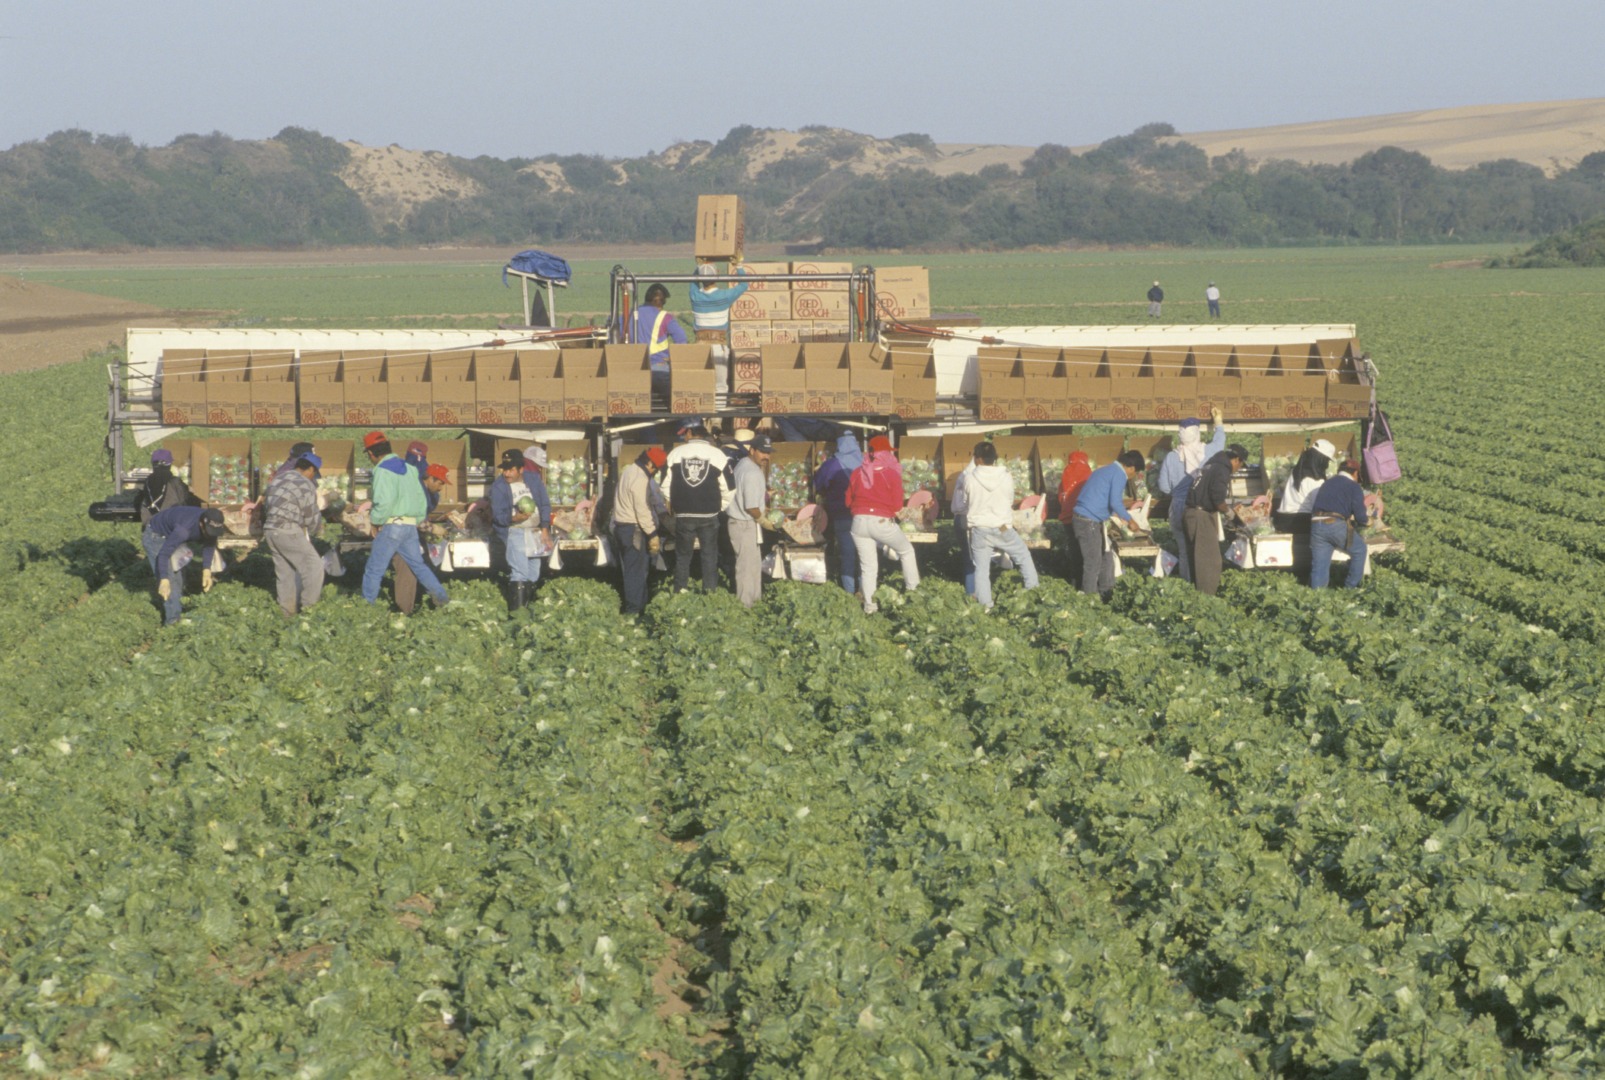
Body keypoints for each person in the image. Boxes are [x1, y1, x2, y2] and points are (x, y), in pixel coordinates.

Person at [360, 430, 449, 610]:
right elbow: (420, 499)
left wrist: (376, 521)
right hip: (409, 527)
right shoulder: (409, 469)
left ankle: (366, 608)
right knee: (419, 566)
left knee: (374, 570)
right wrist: (415, 520)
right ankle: (442, 600)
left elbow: (383, 502)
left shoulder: (382, 470)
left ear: (371, 454)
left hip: (392, 526)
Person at [846, 435, 919, 614]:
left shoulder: (857, 472)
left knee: (868, 567)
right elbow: (896, 506)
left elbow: (848, 501)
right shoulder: (891, 474)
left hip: (858, 523)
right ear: (887, 453)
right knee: (906, 551)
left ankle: (870, 607)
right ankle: (914, 594)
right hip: (881, 522)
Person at [963, 442, 1040, 610]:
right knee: (1023, 556)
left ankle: (986, 606)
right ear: (994, 459)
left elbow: (965, 501)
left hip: (980, 528)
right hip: (1002, 527)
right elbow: (1010, 499)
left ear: (978, 459)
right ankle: (1033, 593)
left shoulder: (969, 478)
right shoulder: (1006, 476)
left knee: (982, 569)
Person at [1155, 409, 1226, 582]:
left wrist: (1178, 493)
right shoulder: (1206, 452)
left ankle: (1187, 583)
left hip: (1178, 507)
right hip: (1198, 509)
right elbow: (1220, 443)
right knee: (1201, 549)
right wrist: (1218, 422)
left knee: (1184, 550)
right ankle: (1201, 584)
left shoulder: (1172, 457)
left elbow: (1164, 487)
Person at [666, 423, 732, 593]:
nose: (683, 437)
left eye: (684, 433)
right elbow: (730, 488)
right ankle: (709, 593)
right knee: (709, 557)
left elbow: (664, 486)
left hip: (684, 515)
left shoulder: (675, 454)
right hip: (709, 515)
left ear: (689, 432)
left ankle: (680, 593)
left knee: (683, 558)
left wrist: (673, 503)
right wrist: (720, 507)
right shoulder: (718, 455)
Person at [1072, 450, 1146, 600]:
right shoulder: (1119, 474)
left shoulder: (1106, 470)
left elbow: (1102, 498)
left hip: (1087, 519)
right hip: (1088, 521)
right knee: (1093, 563)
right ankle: (1089, 600)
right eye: (1135, 472)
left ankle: (1106, 593)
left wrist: (1114, 514)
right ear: (1131, 468)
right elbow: (1115, 502)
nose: (1132, 476)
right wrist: (1130, 521)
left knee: (1106, 556)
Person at [262, 451, 325, 619]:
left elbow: (267, 505)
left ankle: (287, 614)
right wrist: (317, 529)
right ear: (310, 469)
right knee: (314, 566)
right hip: (288, 530)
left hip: (270, 530)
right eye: (314, 473)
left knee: (285, 572)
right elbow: (311, 514)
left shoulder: (277, 479)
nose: (313, 477)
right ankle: (308, 609)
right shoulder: (305, 484)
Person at [488, 448, 552, 612]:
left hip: (535, 532)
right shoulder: (498, 487)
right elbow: (497, 516)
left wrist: (545, 529)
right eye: (504, 469)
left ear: (521, 469)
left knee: (534, 572)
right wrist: (514, 519)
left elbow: (544, 504)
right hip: (515, 531)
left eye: (511, 470)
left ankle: (527, 609)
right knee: (520, 572)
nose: (506, 474)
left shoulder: (534, 480)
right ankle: (518, 615)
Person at [1183, 442, 1250, 597]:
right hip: (1201, 515)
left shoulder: (1211, 463)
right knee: (1210, 561)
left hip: (1192, 513)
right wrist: (1231, 515)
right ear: (1236, 460)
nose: (1238, 469)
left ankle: (1197, 594)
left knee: (1198, 557)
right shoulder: (1222, 470)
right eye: (1240, 465)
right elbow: (1217, 499)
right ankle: (1206, 599)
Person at [141, 505, 226, 626]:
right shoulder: (183, 530)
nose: (211, 534)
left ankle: (176, 609)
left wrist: (207, 570)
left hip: (172, 533)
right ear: (202, 524)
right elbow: (164, 555)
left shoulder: (211, 522)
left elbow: (209, 545)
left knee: (179, 578)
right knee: (172, 581)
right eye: (209, 532)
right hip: (156, 537)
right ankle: (172, 623)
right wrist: (164, 579)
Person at [613, 446, 669, 615]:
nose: (654, 472)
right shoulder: (639, 478)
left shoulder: (629, 470)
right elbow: (642, 509)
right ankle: (633, 611)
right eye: (655, 468)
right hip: (633, 531)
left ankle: (639, 608)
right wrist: (652, 534)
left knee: (635, 570)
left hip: (623, 528)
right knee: (635, 572)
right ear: (650, 463)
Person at [392, 463, 451, 616]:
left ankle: (420, 602)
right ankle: (404, 611)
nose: (440, 488)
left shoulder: (423, 491)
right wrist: (434, 529)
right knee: (407, 570)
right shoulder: (417, 492)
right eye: (440, 483)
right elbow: (416, 520)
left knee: (418, 567)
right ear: (430, 479)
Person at [727, 433, 774, 608]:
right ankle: (745, 607)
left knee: (752, 566)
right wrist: (764, 521)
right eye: (762, 452)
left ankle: (754, 604)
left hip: (742, 523)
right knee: (747, 568)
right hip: (744, 523)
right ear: (752, 450)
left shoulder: (744, 465)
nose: (766, 457)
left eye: (768, 453)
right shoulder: (752, 472)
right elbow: (750, 507)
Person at [812, 433, 862, 595]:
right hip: (863, 516)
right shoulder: (865, 462)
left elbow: (819, 484)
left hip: (842, 515)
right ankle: (864, 591)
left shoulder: (832, 464)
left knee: (847, 555)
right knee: (864, 556)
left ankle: (849, 592)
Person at [1308, 458, 1370, 589]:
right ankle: (1350, 589)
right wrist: (1368, 521)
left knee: (1320, 565)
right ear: (1355, 473)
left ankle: (1315, 598)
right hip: (1334, 524)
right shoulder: (1354, 486)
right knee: (1360, 550)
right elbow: (1360, 517)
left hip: (1316, 525)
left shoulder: (1327, 483)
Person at [689, 263, 750, 391]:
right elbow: (744, 284)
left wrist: (700, 264)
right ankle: (720, 407)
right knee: (720, 384)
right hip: (718, 345)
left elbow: (693, 280)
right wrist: (738, 265)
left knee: (702, 385)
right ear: (716, 277)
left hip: (700, 345)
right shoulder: (725, 296)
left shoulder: (695, 296)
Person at [632, 283, 689, 407]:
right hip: (659, 369)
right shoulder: (664, 317)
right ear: (659, 301)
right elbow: (682, 340)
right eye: (663, 303)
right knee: (684, 398)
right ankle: (689, 424)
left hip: (633, 371)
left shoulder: (630, 315)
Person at [1275, 439, 1336, 534]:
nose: (1327, 465)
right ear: (1321, 460)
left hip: (1283, 519)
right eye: (1327, 460)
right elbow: (1319, 508)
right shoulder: (1315, 480)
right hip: (1300, 523)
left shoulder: (1297, 471)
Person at [1055, 450, 1093, 586]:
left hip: (1068, 518)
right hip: (1084, 517)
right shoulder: (1088, 472)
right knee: (1087, 551)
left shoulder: (1066, 472)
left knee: (1074, 549)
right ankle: (1086, 582)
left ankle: (1075, 579)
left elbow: (1061, 495)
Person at [139, 447, 198, 524]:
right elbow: (185, 500)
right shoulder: (174, 482)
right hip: (169, 525)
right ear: (169, 465)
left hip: (150, 524)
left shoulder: (148, 481)